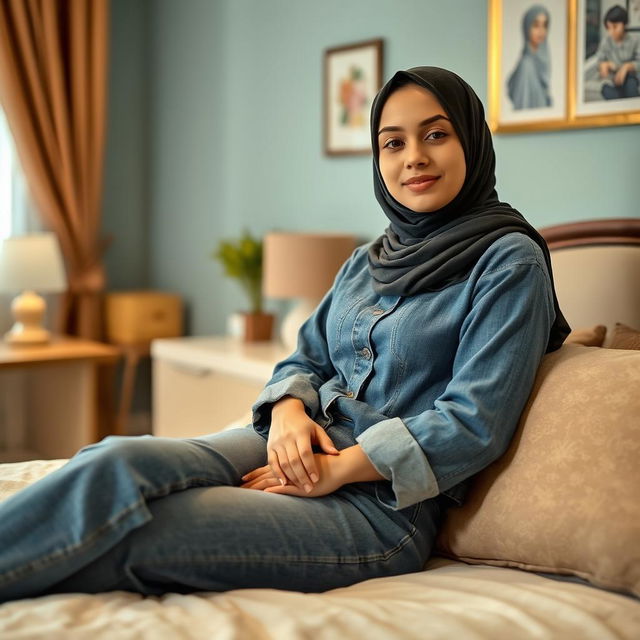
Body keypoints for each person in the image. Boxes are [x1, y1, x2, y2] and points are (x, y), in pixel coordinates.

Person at [0, 66, 570, 603]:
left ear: (471, 139)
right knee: (115, 461)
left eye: (436, 134)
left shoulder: (509, 262)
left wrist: (337, 469)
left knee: (153, 528)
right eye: (393, 142)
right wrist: (290, 414)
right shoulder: (367, 261)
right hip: (296, 437)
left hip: (381, 506)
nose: (414, 158)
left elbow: (474, 422)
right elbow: (304, 358)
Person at [507, 5, 552, 109]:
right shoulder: (526, 65)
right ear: (527, 28)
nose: (541, 31)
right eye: (536, 25)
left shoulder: (544, 59)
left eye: (544, 25)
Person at [596, 5, 640, 100]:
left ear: (625, 24)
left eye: (615, 27)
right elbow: (599, 62)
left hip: (630, 78)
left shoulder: (635, 40)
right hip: (611, 81)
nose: (611, 32)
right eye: (608, 28)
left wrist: (626, 67)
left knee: (631, 88)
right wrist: (603, 66)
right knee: (608, 91)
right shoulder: (606, 42)